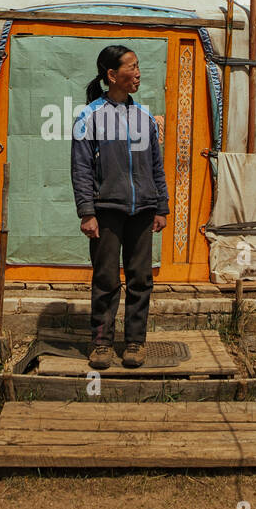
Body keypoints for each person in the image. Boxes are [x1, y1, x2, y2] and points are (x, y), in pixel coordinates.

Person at [70, 45, 168, 370]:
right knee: (106, 279)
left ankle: (135, 342)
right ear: (112, 75)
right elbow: (81, 168)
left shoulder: (145, 119)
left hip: (142, 210)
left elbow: (157, 166)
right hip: (106, 211)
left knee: (141, 278)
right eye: (132, 67)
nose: (138, 73)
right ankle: (101, 343)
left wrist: (161, 206)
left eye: (139, 66)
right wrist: (87, 211)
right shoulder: (89, 117)